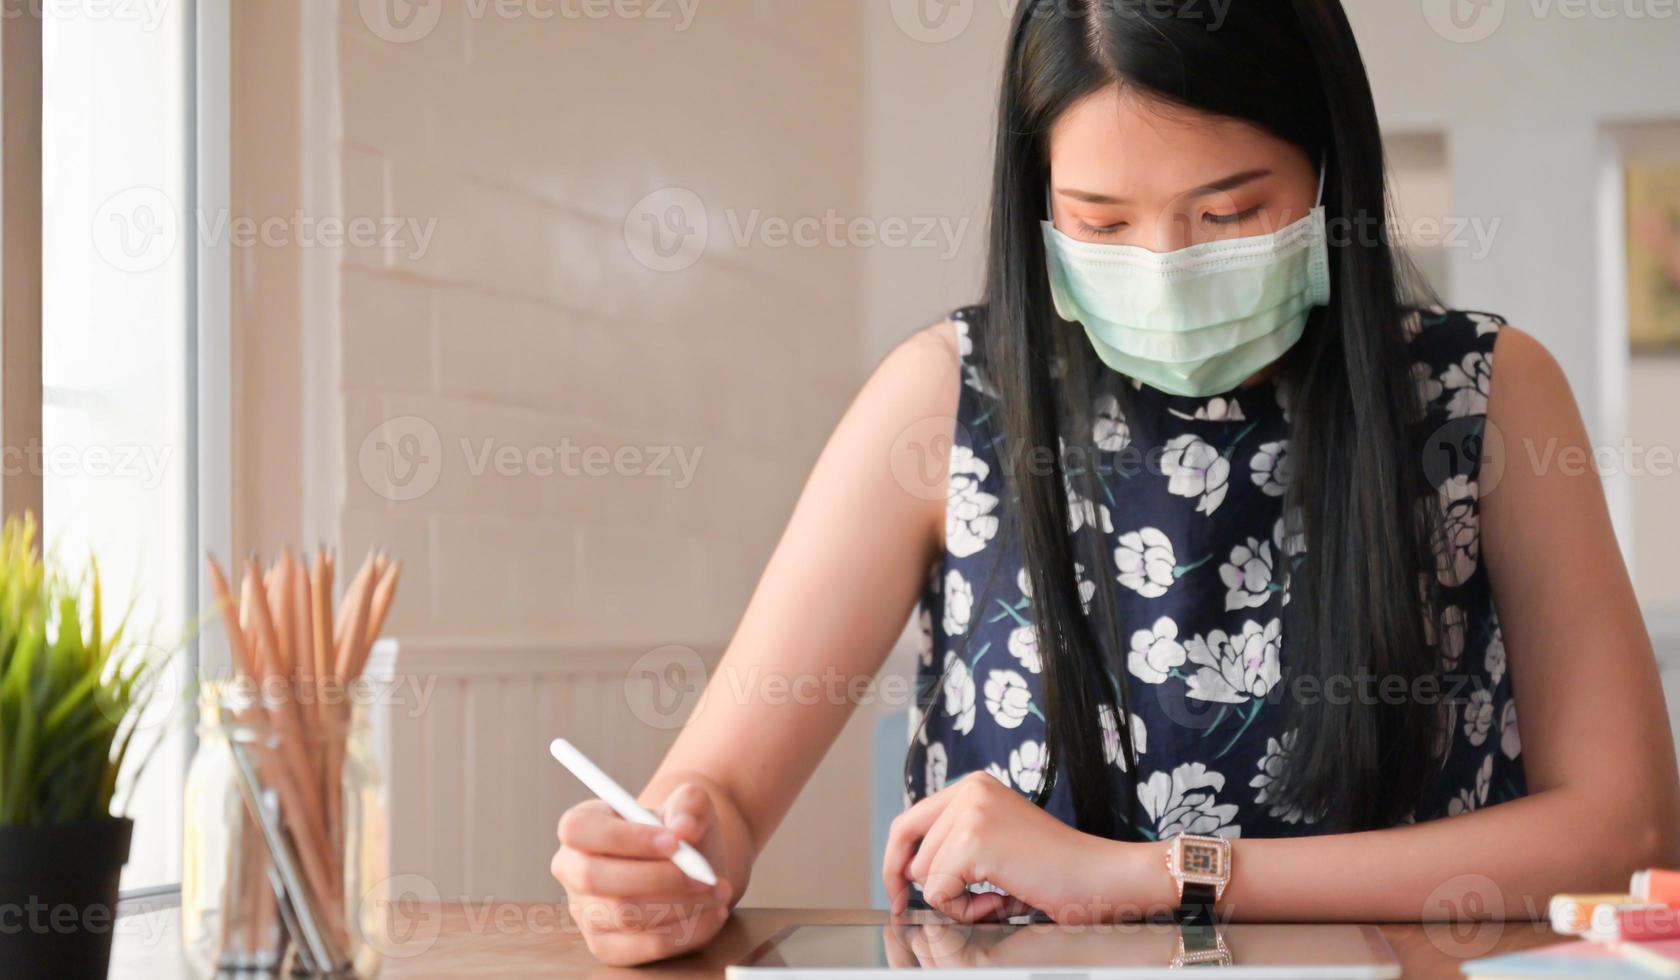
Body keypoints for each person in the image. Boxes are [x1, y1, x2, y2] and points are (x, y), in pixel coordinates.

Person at [551, 0, 1680, 965]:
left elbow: (1627, 829)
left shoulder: (1484, 395)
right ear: (1040, 204)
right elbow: (721, 799)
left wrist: (1153, 875)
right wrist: (676, 857)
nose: (1166, 266)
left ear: (1332, 171)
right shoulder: (943, 402)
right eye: (1101, 223)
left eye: (1230, 214)